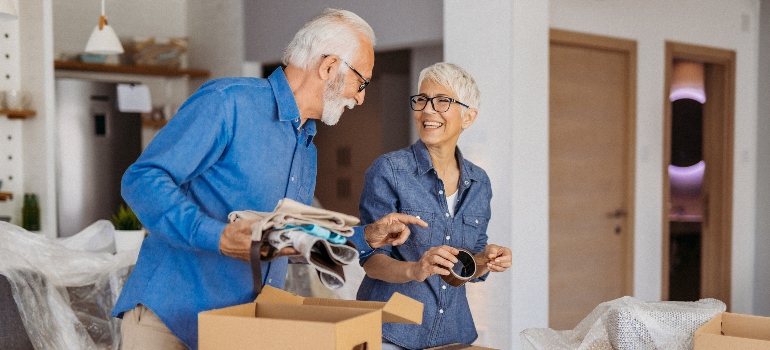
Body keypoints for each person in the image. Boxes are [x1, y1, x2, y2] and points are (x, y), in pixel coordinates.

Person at [112, 9, 427, 350]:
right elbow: (142, 179)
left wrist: (368, 236)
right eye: (361, 82)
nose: (361, 97)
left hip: (237, 326)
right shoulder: (228, 102)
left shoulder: (305, 145)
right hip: (168, 320)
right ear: (329, 67)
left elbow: (290, 238)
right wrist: (217, 236)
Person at [356, 62, 513, 349]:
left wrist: (486, 258)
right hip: (391, 332)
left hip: (452, 333)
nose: (428, 110)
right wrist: (414, 269)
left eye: (442, 101)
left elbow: (468, 266)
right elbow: (371, 260)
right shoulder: (389, 170)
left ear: (469, 116)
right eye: (422, 100)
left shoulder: (480, 182)